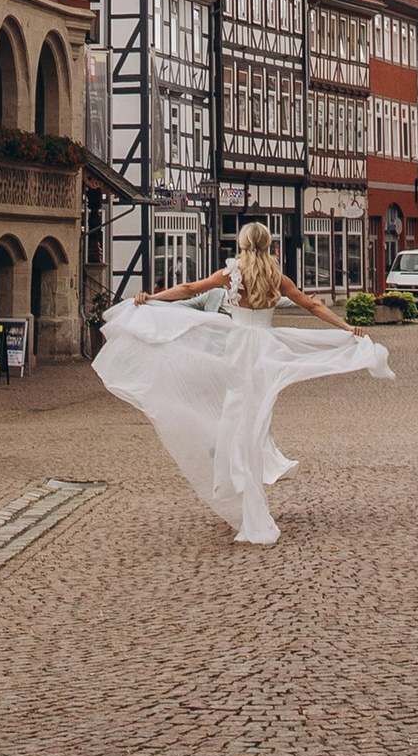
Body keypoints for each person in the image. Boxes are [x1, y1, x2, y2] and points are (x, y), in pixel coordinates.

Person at [93, 222, 393, 546]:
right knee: (252, 419)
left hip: (236, 347)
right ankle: (248, 475)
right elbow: (312, 305)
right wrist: (345, 326)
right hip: (265, 350)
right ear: (268, 245)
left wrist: (153, 298)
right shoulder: (275, 277)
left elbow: (190, 288)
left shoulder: (231, 274)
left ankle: (242, 481)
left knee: (237, 418)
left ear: (242, 244)